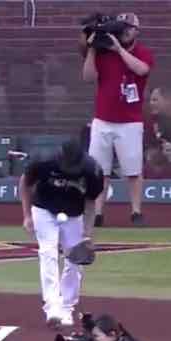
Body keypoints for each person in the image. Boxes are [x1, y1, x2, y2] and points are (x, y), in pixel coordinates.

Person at [19, 138, 104, 327]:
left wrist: (87, 234)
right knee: (48, 252)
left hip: (74, 214)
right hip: (43, 209)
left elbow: (91, 202)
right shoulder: (43, 161)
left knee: (75, 260)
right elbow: (25, 183)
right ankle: (52, 307)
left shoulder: (92, 170)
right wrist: (27, 215)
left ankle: (67, 307)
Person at [82, 12, 153, 227]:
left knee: (132, 170)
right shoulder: (103, 54)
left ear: (136, 31)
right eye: (122, 27)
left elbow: (142, 69)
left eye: (129, 28)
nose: (125, 32)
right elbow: (87, 77)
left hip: (130, 121)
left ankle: (136, 211)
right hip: (103, 120)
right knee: (99, 170)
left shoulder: (142, 53)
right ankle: (98, 213)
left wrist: (119, 50)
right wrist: (92, 49)